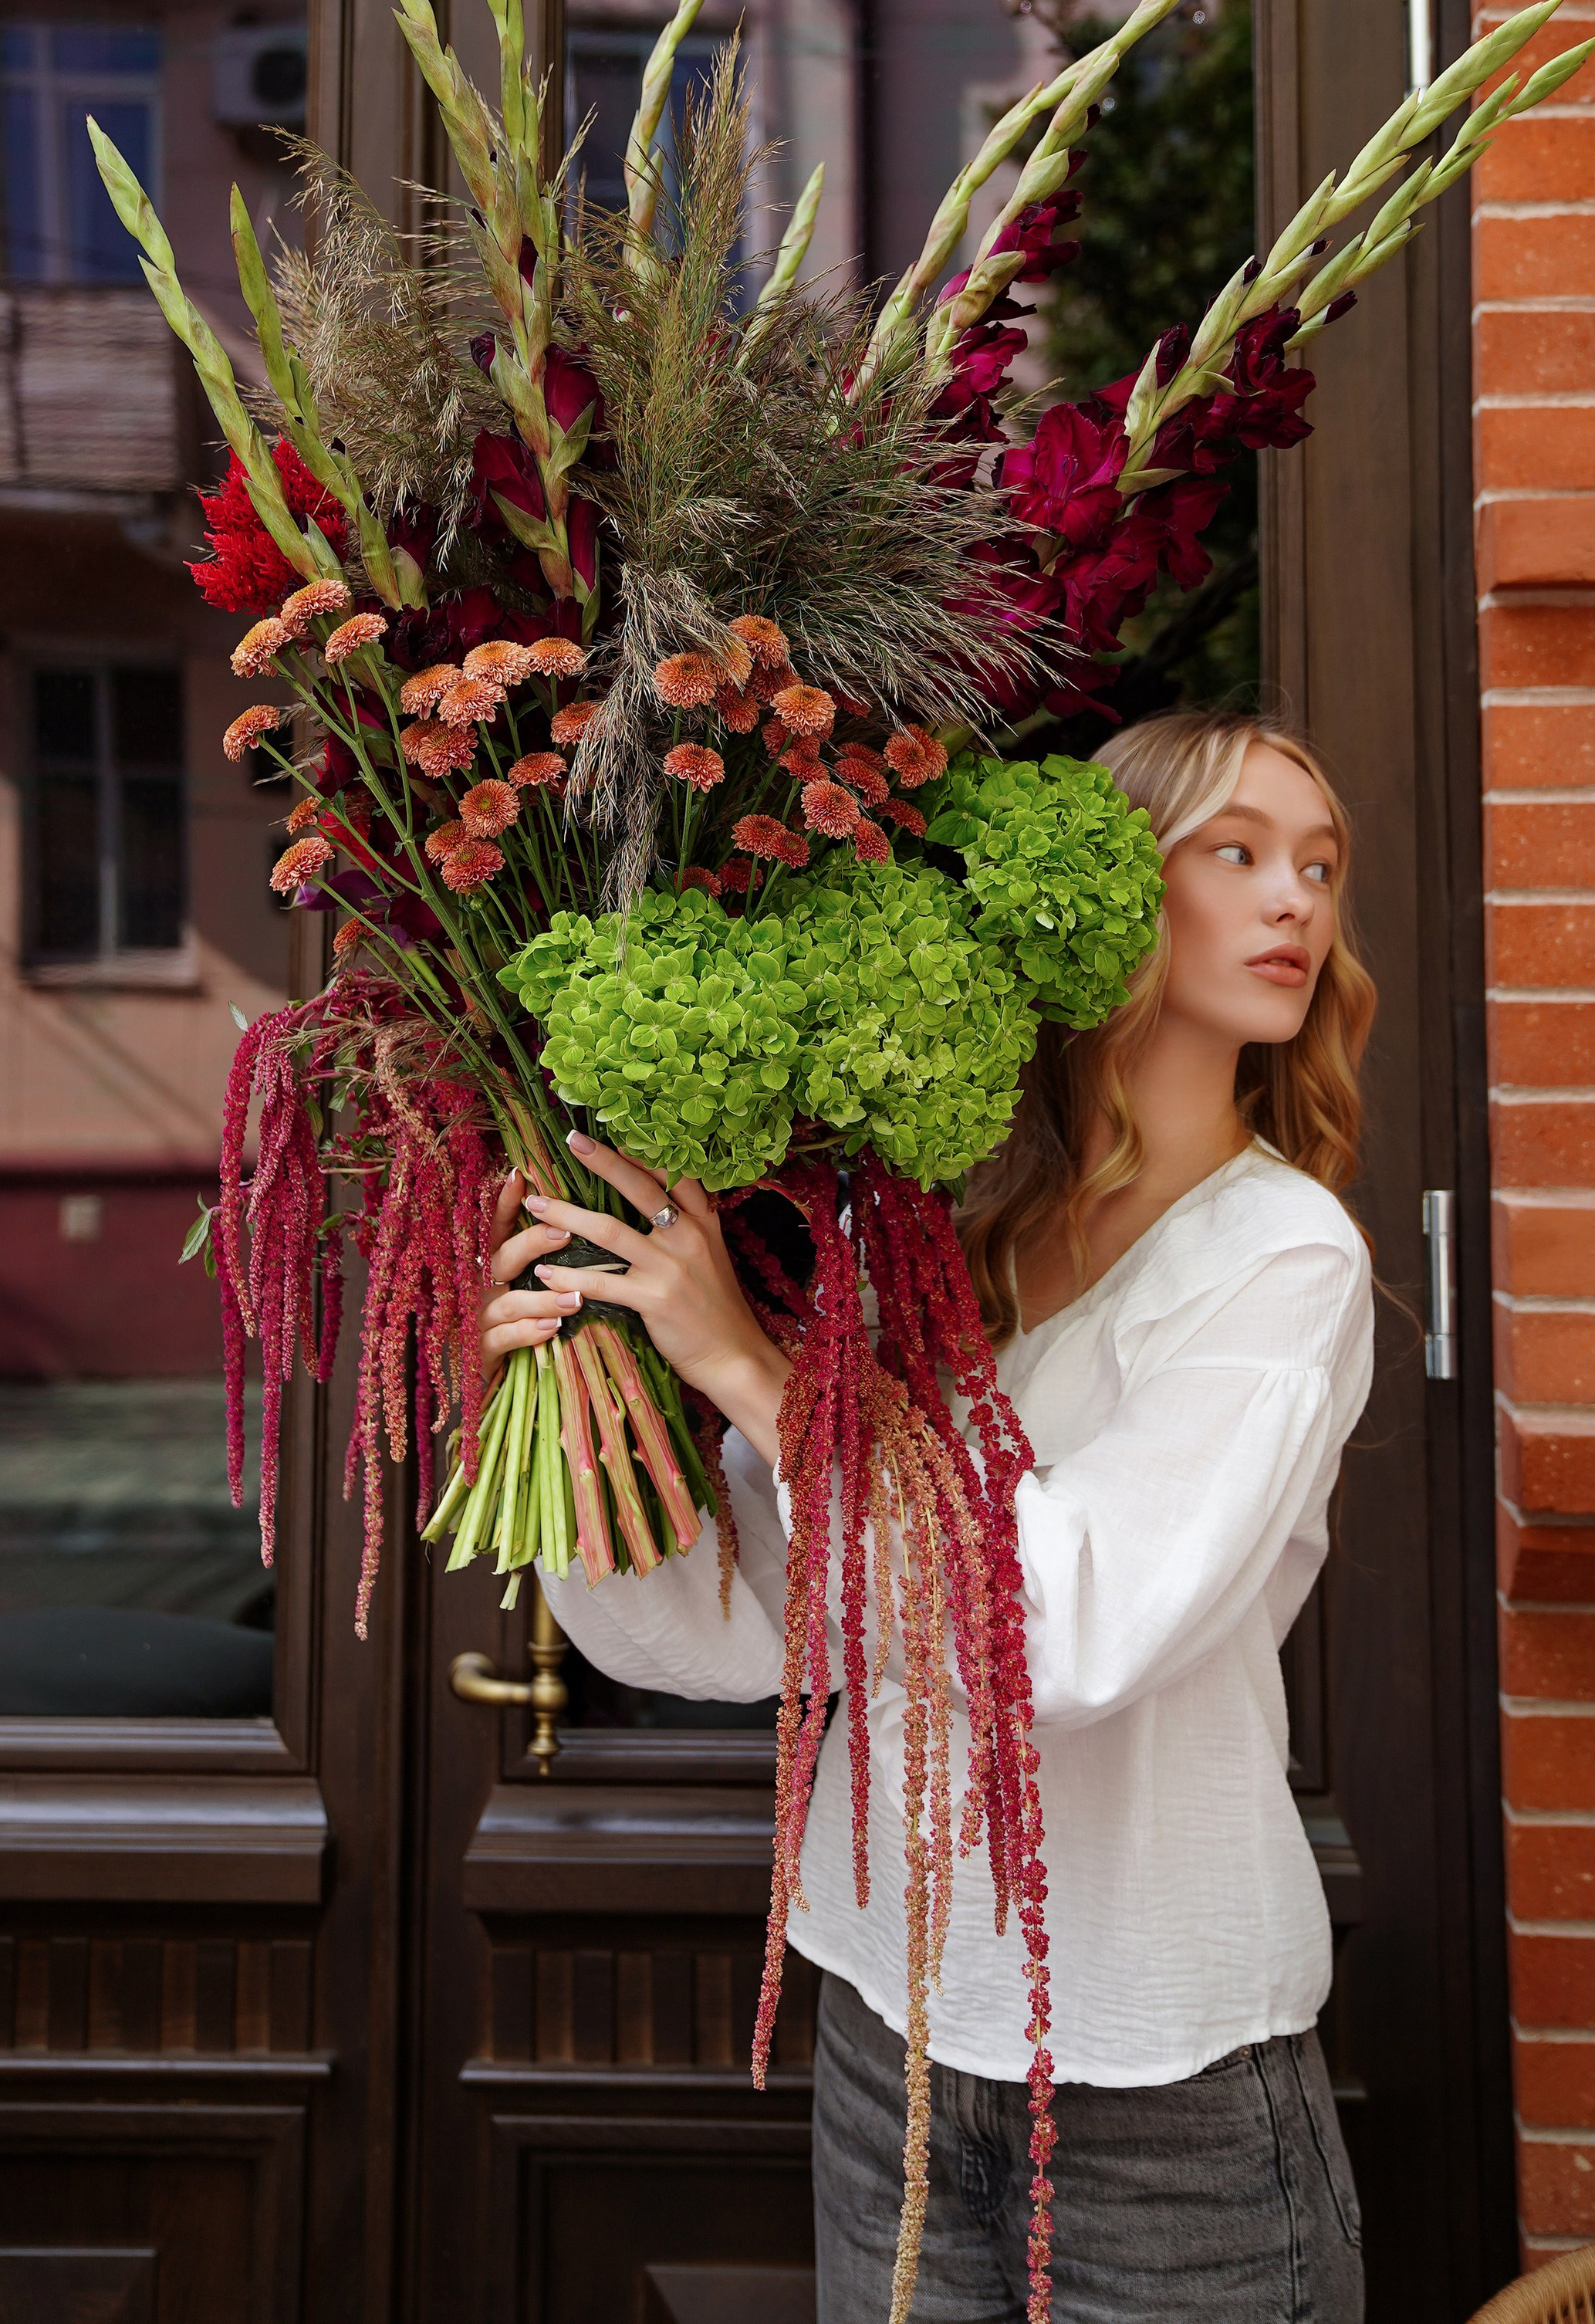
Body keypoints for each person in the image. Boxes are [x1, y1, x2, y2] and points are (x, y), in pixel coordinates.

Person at [482, 710, 1377, 2323]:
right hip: (887, 2031)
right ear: (1106, 889)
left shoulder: (1280, 1262)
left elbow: (1066, 1640)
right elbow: (735, 1626)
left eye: (1315, 867)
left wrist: (757, 1377)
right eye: (1233, 854)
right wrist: (590, 1382)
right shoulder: (931, 1228)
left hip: (1155, 2076)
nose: (1292, 904)